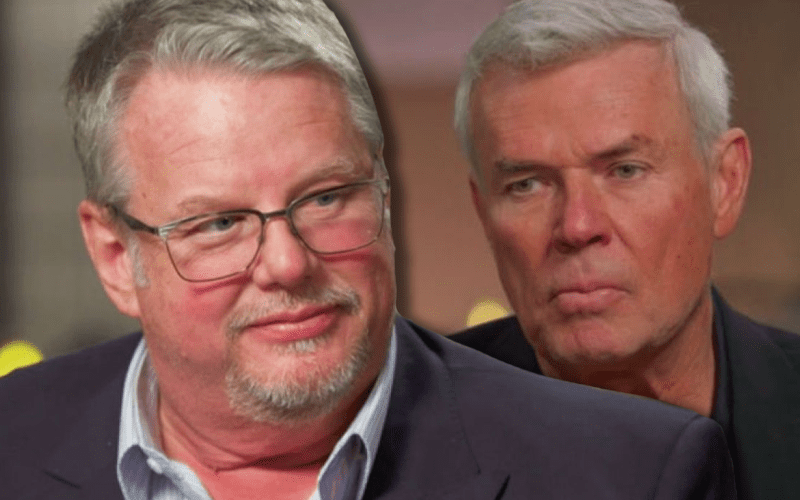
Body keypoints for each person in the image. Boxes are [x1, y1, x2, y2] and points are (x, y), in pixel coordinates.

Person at [0, 0, 735, 499]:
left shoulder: (629, 473)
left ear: (384, 192)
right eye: (220, 224)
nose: (288, 264)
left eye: (326, 198)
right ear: (113, 256)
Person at [451, 0, 800, 499]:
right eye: (527, 184)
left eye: (626, 170)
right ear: (483, 211)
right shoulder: (398, 434)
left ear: (724, 182)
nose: (577, 227)